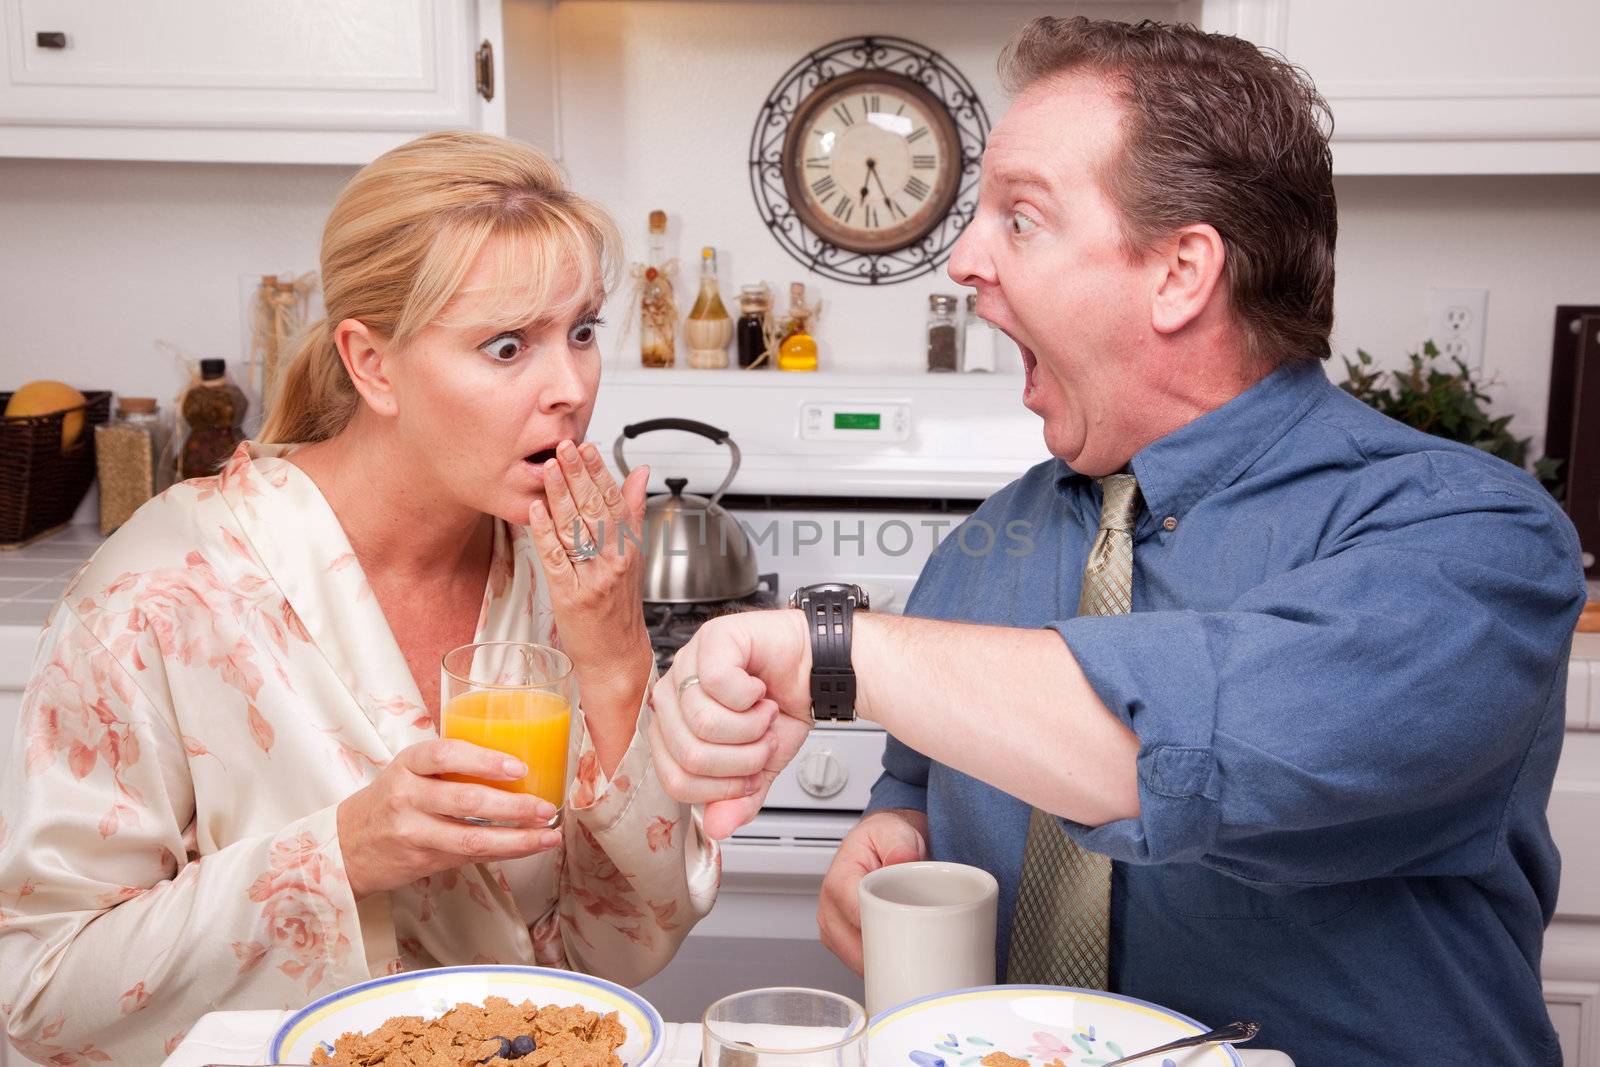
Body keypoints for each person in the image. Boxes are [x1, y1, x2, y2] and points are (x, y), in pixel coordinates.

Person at [645, 17, 1586, 1065]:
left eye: (1021, 218)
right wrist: (898, 836)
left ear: (1180, 272)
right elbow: (916, 779)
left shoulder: (1469, 535)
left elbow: (1187, 743)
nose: (963, 261)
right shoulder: (982, 548)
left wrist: (828, 648)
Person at [0, 132, 717, 1064]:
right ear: (372, 364)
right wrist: (338, 854)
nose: (572, 387)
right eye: (508, 346)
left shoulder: (558, 573)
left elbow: (614, 951)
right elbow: (42, 990)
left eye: (582, 330)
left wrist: (618, 665)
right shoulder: (160, 593)